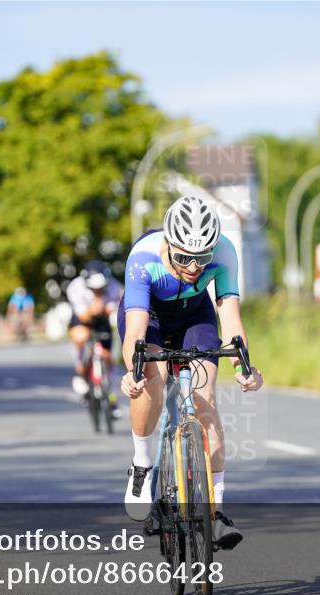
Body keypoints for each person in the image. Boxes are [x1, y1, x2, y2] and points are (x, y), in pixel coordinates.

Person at [118, 196, 264, 551]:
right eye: (184, 258)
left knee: (205, 400)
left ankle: (215, 512)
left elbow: (230, 318)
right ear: (169, 244)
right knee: (152, 377)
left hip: (195, 316)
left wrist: (244, 367)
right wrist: (133, 371)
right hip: (150, 316)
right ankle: (142, 464)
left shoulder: (224, 252)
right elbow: (135, 330)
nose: (195, 267)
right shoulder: (143, 257)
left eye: (203, 257)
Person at [66, 260, 123, 415]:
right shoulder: (76, 287)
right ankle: (81, 370)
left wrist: (106, 309)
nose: (97, 291)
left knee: (108, 357)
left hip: (103, 319)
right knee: (80, 337)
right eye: (94, 288)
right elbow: (83, 316)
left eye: (101, 288)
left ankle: (111, 397)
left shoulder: (115, 287)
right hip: (83, 317)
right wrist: (93, 309)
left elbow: (117, 309)